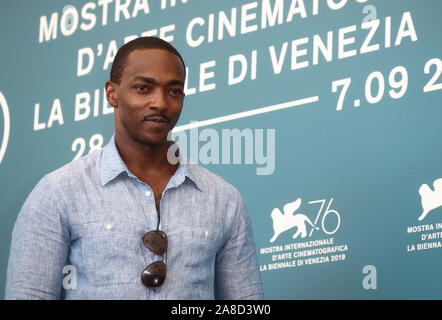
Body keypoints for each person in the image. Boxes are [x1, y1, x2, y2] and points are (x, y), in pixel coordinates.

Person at [5, 37, 264, 300]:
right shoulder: (58, 193)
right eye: (143, 88)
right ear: (111, 93)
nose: (160, 103)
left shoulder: (225, 200)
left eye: (174, 91)